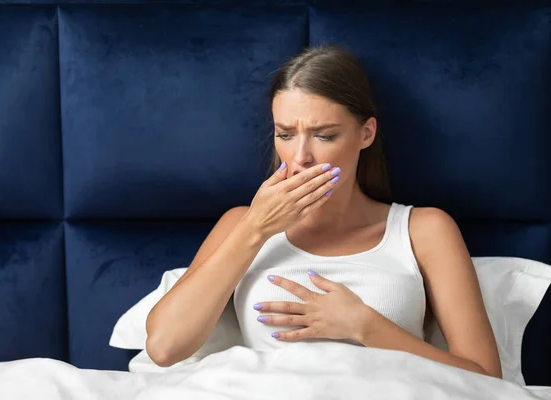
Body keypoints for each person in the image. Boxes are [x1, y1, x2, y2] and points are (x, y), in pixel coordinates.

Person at [145, 45, 502, 378]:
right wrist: (255, 229)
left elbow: (486, 378)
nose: (301, 157)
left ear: (366, 133)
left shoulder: (423, 229)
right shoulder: (241, 224)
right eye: (285, 134)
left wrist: (365, 325)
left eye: (325, 136)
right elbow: (164, 347)